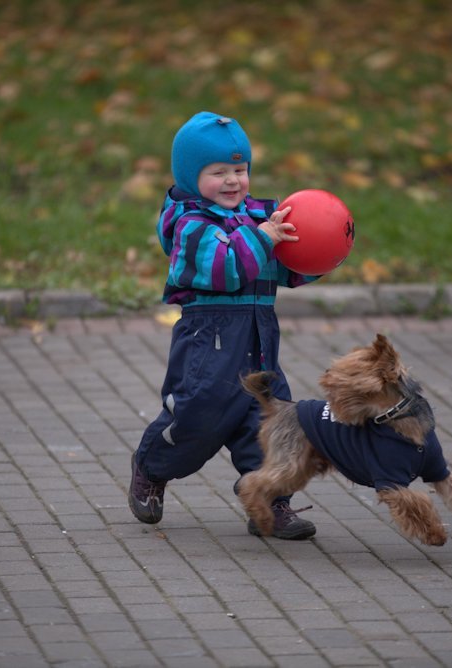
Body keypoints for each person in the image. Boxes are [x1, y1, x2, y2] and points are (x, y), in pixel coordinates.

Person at [128, 110, 320, 540]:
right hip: (209, 342)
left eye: (240, 169)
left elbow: (286, 268)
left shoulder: (261, 216)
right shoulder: (189, 225)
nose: (233, 180)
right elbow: (225, 270)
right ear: (191, 177)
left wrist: (317, 253)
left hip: (259, 336)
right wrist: (264, 237)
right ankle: (150, 465)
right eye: (219, 172)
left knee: (274, 424)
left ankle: (269, 505)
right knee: (198, 418)